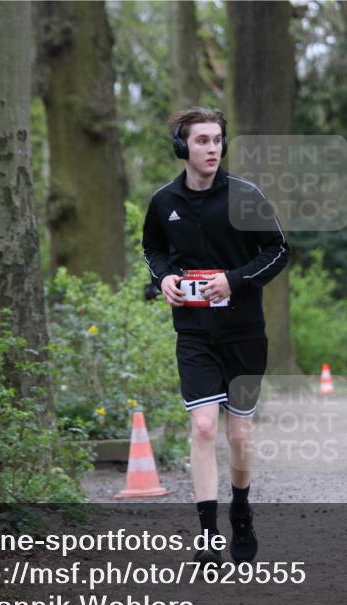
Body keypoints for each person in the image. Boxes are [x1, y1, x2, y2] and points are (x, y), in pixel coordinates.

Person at [141, 107, 289, 564]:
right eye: (201, 140)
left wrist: (234, 281)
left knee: (239, 434)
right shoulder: (163, 202)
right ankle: (207, 535)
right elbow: (153, 249)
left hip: (244, 334)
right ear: (182, 147)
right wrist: (163, 279)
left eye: (217, 140)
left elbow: (278, 250)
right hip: (194, 333)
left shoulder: (245, 196)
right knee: (204, 427)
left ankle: (241, 511)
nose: (212, 148)